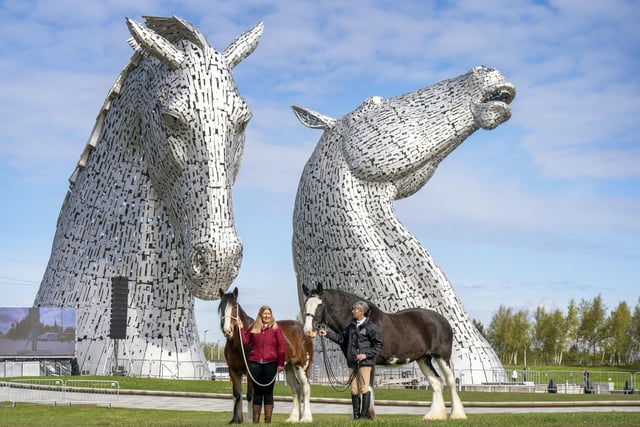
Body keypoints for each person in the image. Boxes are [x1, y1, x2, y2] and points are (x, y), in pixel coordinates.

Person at [318, 301, 383, 420]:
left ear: (362, 312)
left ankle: (364, 417)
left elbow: (378, 345)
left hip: (365, 363)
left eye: (355, 310)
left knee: (364, 388)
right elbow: (341, 339)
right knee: (354, 389)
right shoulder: (351, 326)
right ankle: (356, 417)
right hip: (352, 362)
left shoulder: (371, 327)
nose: (352, 311)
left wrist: (365, 355)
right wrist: (327, 334)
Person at [238, 306, 286, 424]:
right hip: (255, 364)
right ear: (260, 315)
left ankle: (268, 421)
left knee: (268, 393)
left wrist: (280, 364)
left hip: (271, 364)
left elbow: (281, 347)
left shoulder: (276, 329)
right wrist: (241, 328)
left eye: (268, 314)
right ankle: (255, 421)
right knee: (258, 393)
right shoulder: (254, 328)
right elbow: (245, 341)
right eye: (264, 314)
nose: (266, 316)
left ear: (271, 315)